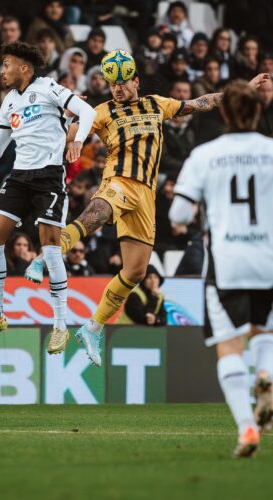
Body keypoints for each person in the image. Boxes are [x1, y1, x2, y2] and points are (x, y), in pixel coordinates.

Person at [25, 50, 270, 367]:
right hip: (118, 181)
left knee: (136, 271)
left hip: (145, 196)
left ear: (136, 81)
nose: (117, 89)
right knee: (96, 213)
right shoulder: (101, 112)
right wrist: (63, 119)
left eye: (123, 82)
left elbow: (200, 103)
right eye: (112, 84)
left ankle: (93, 327)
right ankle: (45, 256)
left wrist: (243, 91)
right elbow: (69, 134)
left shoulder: (156, 104)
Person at [0, 41, 96, 353]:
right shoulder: (8, 103)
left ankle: (61, 326)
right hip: (19, 177)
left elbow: (87, 111)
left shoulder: (49, 88)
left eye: (7, 65)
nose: (2, 71)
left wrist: (78, 141)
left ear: (24, 68)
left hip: (49, 177)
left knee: (50, 246)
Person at [169, 80, 273, 458]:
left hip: (226, 262)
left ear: (224, 113)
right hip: (268, 259)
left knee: (229, 345)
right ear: (258, 109)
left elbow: (179, 214)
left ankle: (247, 428)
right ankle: (266, 375)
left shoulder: (204, 155)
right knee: (265, 333)